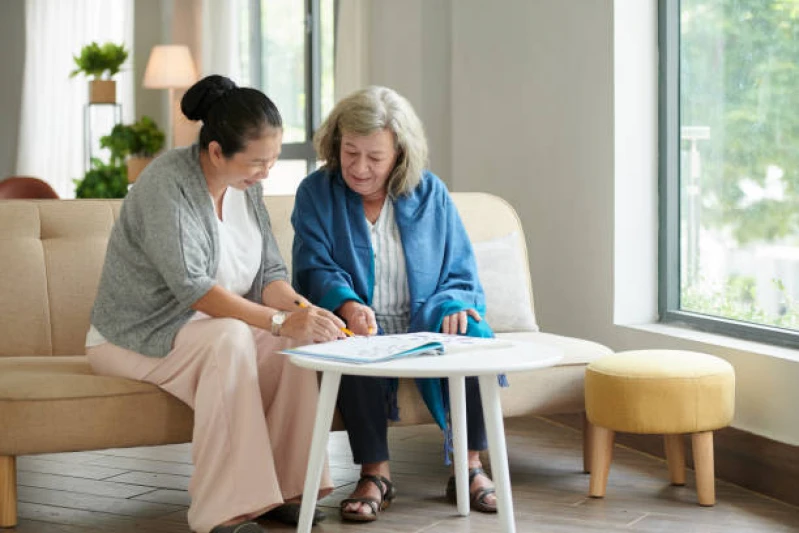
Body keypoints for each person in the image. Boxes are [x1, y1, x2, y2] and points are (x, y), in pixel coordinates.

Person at [85, 75, 345, 533]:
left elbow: (269, 275)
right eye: (257, 162)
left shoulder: (247, 187)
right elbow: (195, 289)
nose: (265, 173)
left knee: (291, 346)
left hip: (207, 329)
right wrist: (280, 321)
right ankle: (222, 510)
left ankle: (285, 489)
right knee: (232, 337)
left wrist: (304, 313)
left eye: (272, 161)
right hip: (133, 337)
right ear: (216, 152)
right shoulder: (167, 185)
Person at [291, 86, 500, 523]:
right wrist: (347, 305)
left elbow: (460, 266)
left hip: (426, 318)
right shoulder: (316, 192)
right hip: (358, 319)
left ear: (400, 154)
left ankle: (470, 466)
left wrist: (454, 303)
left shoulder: (430, 192)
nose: (359, 168)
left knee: (474, 334)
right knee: (351, 342)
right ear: (336, 143)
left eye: (375, 157)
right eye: (350, 152)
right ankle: (375, 474)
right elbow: (314, 265)